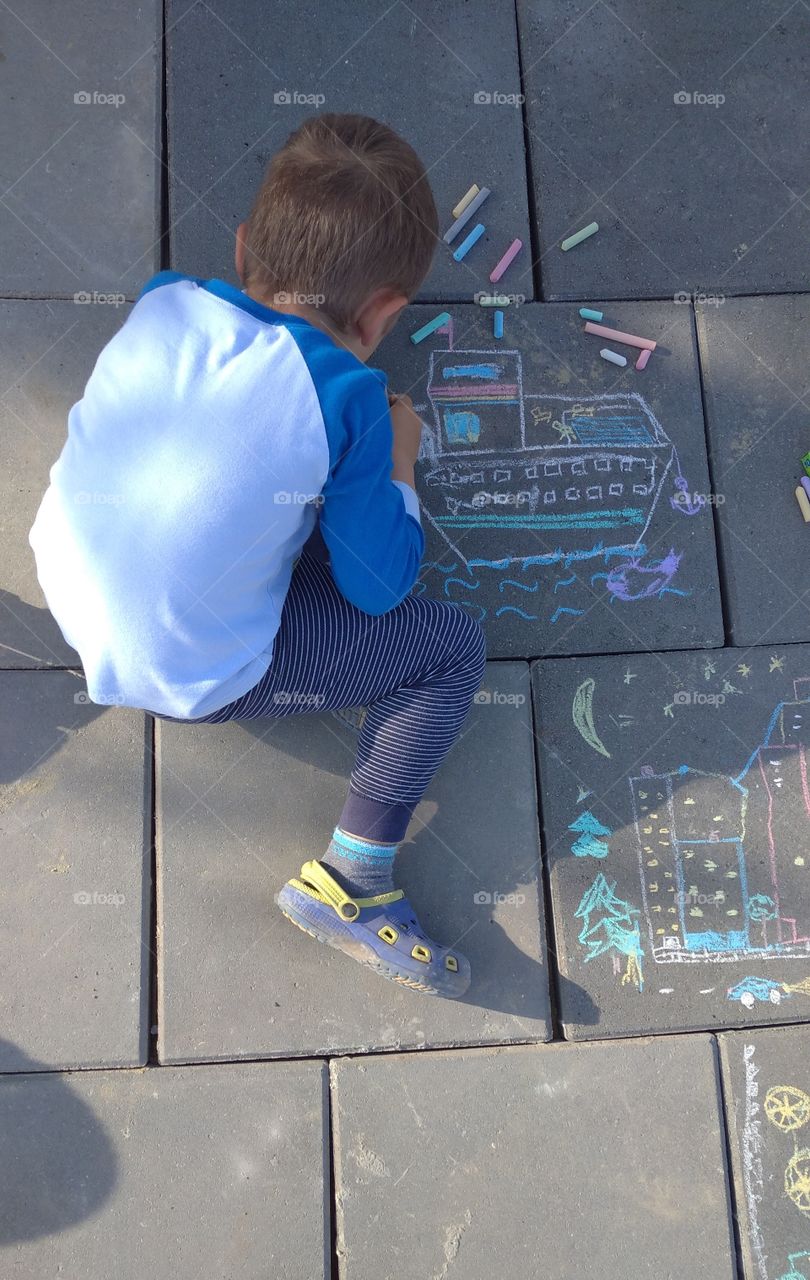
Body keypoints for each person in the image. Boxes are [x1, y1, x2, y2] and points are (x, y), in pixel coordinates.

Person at [28, 114, 486, 998]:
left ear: (242, 251)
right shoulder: (348, 395)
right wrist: (397, 462)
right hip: (196, 672)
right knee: (446, 648)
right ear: (386, 311)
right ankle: (355, 877)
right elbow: (382, 586)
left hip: (74, 591)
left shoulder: (163, 300)